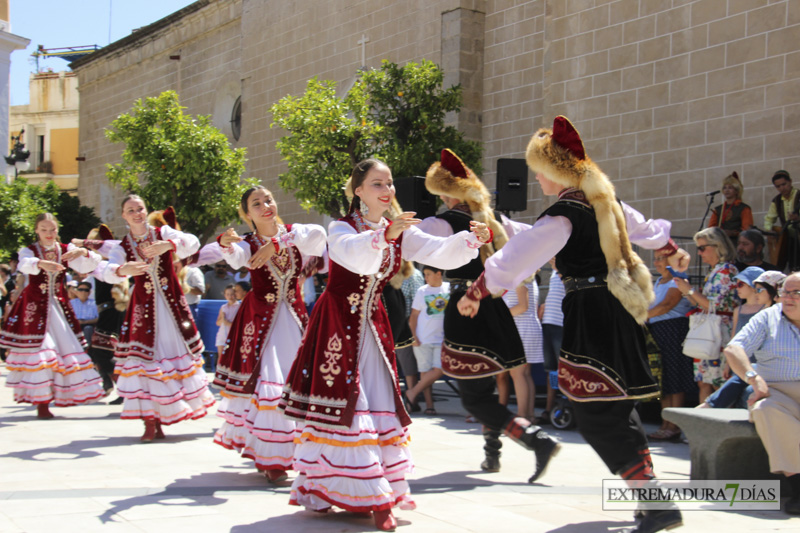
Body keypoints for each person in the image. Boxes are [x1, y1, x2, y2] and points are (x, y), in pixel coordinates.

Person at [457, 117, 692, 533]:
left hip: (594, 313)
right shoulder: (604, 203)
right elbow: (646, 230)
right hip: (620, 310)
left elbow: (518, 258)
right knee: (616, 408)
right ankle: (650, 500)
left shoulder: (564, 215)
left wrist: (477, 290)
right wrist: (672, 250)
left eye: (539, 170)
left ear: (555, 171)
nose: (536, 177)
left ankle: (657, 505)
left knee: (595, 411)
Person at [279, 158, 489, 532]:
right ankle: (353, 492)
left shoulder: (401, 230)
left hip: (372, 325)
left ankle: (375, 491)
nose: (386, 189)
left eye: (388, 183)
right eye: (376, 184)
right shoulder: (343, 227)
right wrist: (384, 235)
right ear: (358, 191)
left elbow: (438, 250)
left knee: (374, 400)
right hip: (338, 324)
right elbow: (352, 255)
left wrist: (471, 240)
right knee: (347, 401)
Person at [416, 149, 560, 481]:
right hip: (493, 304)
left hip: (467, 305)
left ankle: (534, 441)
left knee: (475, 396)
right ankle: (492, 455)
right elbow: (530, 242)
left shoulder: (441, 222)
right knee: (487, 386)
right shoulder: (495, 221)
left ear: (449, 194)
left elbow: (414, 242)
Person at [212, 185, 326, 481]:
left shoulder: (294, 233)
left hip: (294, 317)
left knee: (296, 380)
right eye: (256, 203)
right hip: (260, 322)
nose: (265, 206)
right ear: (247, 214)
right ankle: (271, 455)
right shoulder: (248, 243)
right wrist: (225, 243)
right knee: (270, 381)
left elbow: (319, 236)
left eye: (268, 199)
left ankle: (297, 451)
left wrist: (277, 243)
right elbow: (237, 258)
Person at [102, 195, 215, 442]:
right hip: (143, 312)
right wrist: (122, 270)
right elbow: (107, 270)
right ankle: (150, 422)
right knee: (145, 364)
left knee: (171, 359)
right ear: (124, 215)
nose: (136, 213)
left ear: (145, 211)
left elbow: (192, 243)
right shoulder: (123, 246)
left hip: (172, 309)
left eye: (139, 208)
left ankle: (163, 417)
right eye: (130, 210)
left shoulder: (162, 232)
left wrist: (170, 245)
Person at [1, 213, 105, 418]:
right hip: (33, 308)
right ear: (36, 230)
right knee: (41, 352)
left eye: (52, 229)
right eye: (44, 230)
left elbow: (92, 263)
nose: (49, 234)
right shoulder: (29, 251)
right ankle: (42, 402)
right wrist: (40, 264)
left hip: (57, 307)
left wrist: (83, 251)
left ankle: (56, 395)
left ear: (57, 230)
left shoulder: (65, 250)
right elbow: (24, 264)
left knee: (61, 352)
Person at [723, 272, 800, 516]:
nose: (788, 298)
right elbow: (734, 348)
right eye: (784, 292)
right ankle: (799, 487)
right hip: (777, 391)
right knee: (765, 410)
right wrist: (752, 378)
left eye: (795, 293)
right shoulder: (768, 317)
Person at [700, 269, 785, 409]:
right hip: (755, 369)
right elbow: (735, 344)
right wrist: (732, 364)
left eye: (759, 290)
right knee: (747, 379)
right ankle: (710, 407)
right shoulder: (766, 316)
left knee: (749, 384)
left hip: (777, 374)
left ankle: (709, 407)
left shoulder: (776, 315)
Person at [673, 227, 739, 403]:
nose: (700, 253)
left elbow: (714, 305)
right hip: (708, 328)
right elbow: (700, 303)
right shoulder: (714, 271)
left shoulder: (726, 270)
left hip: (719, 331)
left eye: (702, 248)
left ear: (717, 246)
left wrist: (690, 290)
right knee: (704, 382)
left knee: (718, 382)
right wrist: (687, 292)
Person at [646, 252, 694, 441]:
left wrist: (641, 316)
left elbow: (667, 305)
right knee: (663, 379)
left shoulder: (678, 280)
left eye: (660, 259)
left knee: (675, 378)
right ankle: (665, 423)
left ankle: (674, 425)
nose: (656, 262)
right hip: (658, 331)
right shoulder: (659, 282)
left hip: (674, 330)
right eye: (656, 258)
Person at [407, 265, 450, 415]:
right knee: (425, 373)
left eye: (428, 274)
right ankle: (430, 406)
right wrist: (413, 336)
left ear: (439, 273)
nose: (426, 278)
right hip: (423, 338)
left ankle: (412, 392)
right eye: (424, 275)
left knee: (439, 370)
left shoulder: (449, 289)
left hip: (443, 339)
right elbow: (414, 316)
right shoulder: (422, 291)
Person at [498, 275, 542, 421]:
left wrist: (499, 316)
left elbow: (523, 306)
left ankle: (523, 415)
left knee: (518, 374)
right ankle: (529, 415)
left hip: (521, 328)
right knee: (525, 373)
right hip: (526, 327)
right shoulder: (528, 277)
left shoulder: (519, 276)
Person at [538, 259, 564, 425]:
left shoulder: (566, 270)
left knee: (564, 370)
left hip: (561, 325)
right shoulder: (554, 273)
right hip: (548, 323)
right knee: (551, 370)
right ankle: (549, 409)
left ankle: (568, 407)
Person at [764, 170, 800, 270]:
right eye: (778, 186)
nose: (782, 188)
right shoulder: (776, 200)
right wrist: (769, 230)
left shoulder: (799, 195)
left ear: (790, 182)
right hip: (790, 240)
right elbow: (769, 218)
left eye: (784, 184)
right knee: (793, 266)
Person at [707, 171, 753, 240]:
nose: (727, 190)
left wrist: (733, 233)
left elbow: (747, 231)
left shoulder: (743, 208)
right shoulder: (718, 209)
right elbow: (710, 229)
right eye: (725, 188)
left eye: (730, 188)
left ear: (736, 191)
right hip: (721, 244)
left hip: (737, 244)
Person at [214, 284, 240, 362]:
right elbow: (218, 323)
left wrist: (228, 323)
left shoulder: (239, 306)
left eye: (232, 294)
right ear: (225, 295)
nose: (230, 296)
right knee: (221, 357)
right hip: (222, 334)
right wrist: (222, 318)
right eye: (228, 294)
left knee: (233, 357)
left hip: (234, 334)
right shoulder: (223, 307)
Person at [70, 281, 99, 345]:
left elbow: (98, 318)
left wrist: (85, 322)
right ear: (77, 291)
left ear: (89, 292)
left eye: (86, 290)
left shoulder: (94, 303)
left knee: (88, 329)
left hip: (88, 324)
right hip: (74, 324)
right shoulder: (71, 303)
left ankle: (87, 349)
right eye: (80, 290)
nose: (83, 292)